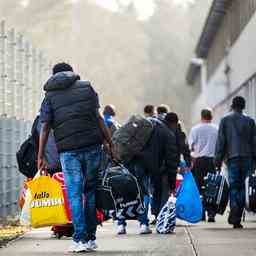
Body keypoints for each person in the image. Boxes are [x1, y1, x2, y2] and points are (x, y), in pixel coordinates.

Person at [38, 63, 112, 252]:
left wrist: (40, 155)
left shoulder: (50, 96)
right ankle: (91, 238)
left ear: (54, 77)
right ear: (71, 72)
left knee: (74, 194)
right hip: (92, 146)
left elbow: (45, 127)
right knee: (91, 191)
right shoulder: (87, 87)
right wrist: (110, 142)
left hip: (68, 150)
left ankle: (79, 239)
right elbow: (98, 118)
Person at [117, 118, 179, 235]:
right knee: (144, 192)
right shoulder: (167, 133)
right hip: (145, 165)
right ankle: (143, 224)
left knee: (125, 192)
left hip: (128, 159)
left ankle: (120, 224)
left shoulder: (142, 124)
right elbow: (171, 160)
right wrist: (172, 184)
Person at [215, 96, 256, 229]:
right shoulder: (250, 121)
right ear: (243, 106)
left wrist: (218, 160)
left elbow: (221, 142)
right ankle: (237, 213)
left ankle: (234, 211)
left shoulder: (225, 120)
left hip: (232, 158)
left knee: (234, 186)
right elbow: (254, 143)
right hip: (248, 158)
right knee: (244, 187)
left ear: (232, 105)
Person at [188, 108, 218, 222]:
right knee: (212, 187)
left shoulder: (195, 129)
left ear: (201, 116)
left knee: (199, 188)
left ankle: (201, 213)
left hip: (198, 161)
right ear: (211, 117)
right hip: (212, 161)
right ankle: (211, 213)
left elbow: (190, 146)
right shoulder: (217, 129)